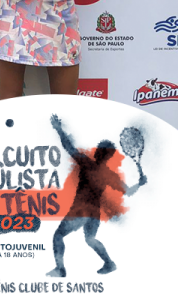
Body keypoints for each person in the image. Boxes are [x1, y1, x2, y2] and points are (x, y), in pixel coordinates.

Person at [48, 114, 147, 276]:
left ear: (100, 153)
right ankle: (109, 263)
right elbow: (128, 191)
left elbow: (68, 146)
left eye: (99, 149)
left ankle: (60, 269)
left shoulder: (87, 163)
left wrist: (58, 128)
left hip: (80, 210)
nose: (96, 150)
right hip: (94, 214)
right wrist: (140, 184)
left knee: (58, 236)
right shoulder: (109, 175)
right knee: (90, 239)